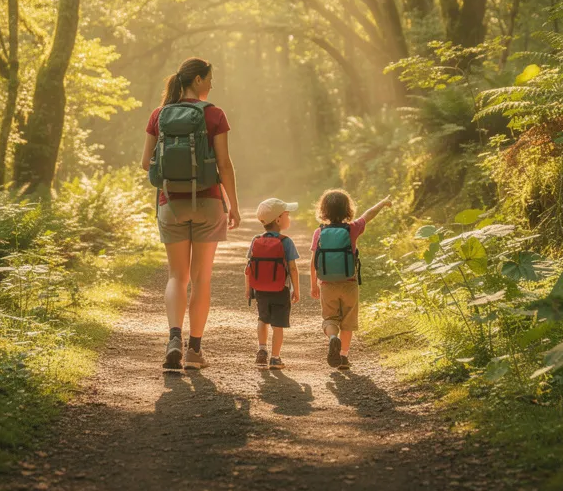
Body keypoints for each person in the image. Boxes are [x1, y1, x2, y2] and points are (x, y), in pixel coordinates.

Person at [140, 58, 241, 370]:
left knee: (176, 276)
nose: (211, 86)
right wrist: (233, 205)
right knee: (201, 278)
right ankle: (194, 351)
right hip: (209, 204)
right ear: (197, 81)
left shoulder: (159, 115)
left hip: (170, 203)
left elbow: (146, 163)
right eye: (209, 79)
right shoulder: (214, 114)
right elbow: (224, 165)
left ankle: (173, 338)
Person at [309, 190, 392, 369]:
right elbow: (368, 215)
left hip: (327, 284)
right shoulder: (352, 228)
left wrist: (313, 285)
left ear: (323, 210)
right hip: (349, 283)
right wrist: (383, 203)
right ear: (348, 209)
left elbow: (313, 261)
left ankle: (333, 338)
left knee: (330, 319)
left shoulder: (319, 232)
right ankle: (344, 357)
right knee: (348, 321)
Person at [247, 198, 301, 370]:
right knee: (278, 324)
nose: (289, 217)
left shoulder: (256, 240)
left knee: (263, 319)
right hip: (281, 290)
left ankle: (262, 350)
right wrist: (296, 290)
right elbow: (293, 269)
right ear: (278, 220)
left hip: (260, 290)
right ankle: (275, 358)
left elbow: (248, 268)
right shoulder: (286, 241)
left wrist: (249, 289)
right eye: (287, 214)